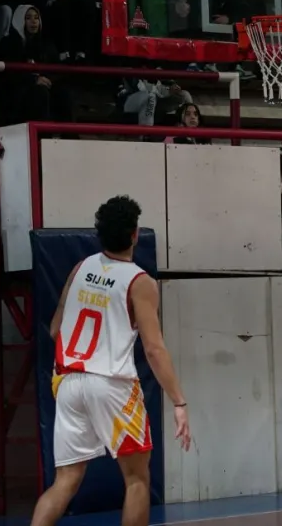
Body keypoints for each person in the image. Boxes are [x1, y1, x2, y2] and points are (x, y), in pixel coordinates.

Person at [29, 196, 191, 526]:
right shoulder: (139, 281)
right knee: (137, 479)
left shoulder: (80, 268)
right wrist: (179, 401)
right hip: (112, 384)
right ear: (135, 234)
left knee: (65, 481)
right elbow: (154, 349)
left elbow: (56, 329)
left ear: (99, 234)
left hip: (69, 382)